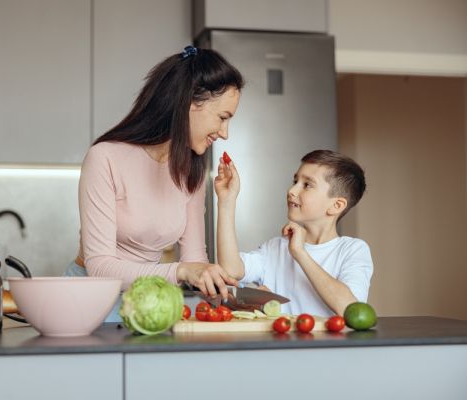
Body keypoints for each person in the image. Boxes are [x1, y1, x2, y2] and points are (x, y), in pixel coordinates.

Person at [66, 46, 245, 302]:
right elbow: (100, 268)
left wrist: (212, 282)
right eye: (222, 117)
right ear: (191, 103)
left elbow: (195, 260)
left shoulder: (191, 170)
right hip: (87, 298)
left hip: (145, 298)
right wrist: (181, 271)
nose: (225, 133)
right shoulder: (105, 157)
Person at [215, 149, 373, 316]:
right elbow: (231, 269)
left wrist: (300, 253)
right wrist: (226, 201)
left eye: (307, 185)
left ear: (336, 205)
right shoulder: (275, 247)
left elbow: (350, 309)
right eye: (295, 181)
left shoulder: (353, 250)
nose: (292, 190)